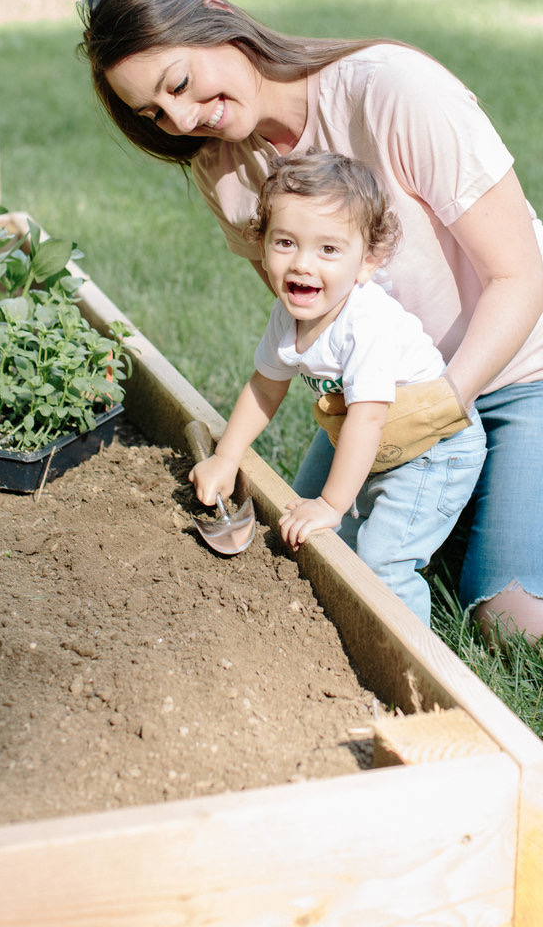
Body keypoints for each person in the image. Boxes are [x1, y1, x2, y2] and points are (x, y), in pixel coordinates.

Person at [78, 0, 543, 647]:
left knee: (522, 628)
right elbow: (310, 327)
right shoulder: (220, 164)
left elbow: (518, 278)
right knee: (309, 561)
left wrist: (437, 410)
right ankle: (518, 475)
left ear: (215, 15)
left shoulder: (393, 90)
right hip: (392, 384)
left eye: (179, 85)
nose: (186, 119)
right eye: (155, 115)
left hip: (534, 364)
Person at [187, 149, 486, 625]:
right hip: (373, 435)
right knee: (300, 527)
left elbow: (369, 417)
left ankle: (410, 667)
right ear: (261, 245)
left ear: (367, 262)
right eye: (286, 242)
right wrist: (226, 456)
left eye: (328, 249)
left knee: (382, 560)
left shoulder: (366, 323)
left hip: (433, 448)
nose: (303, 265)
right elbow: (265, 388)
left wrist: (331, 504)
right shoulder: (288, 316)